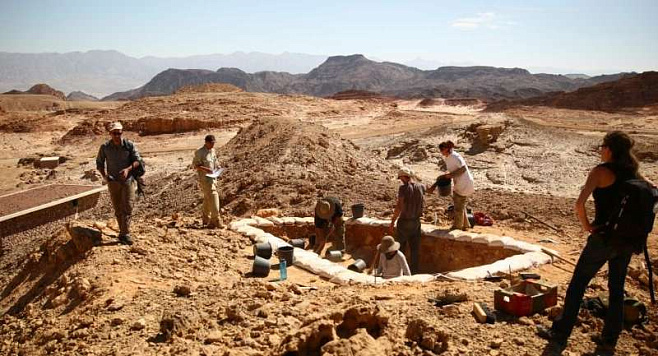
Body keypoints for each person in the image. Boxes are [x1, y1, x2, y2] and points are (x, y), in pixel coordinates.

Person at [536, 131, 655, 352]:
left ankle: (560, 335)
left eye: (602, 146)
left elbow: (579, 204)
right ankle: (609, 339)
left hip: (602, 239)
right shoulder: (636, 175)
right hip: (626, 242)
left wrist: (587, 226)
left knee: (578, 285)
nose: (600, 150)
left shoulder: (601, 172)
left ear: (609, 149)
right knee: (616, 289)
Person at [96, 122, 142, 245]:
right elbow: (99, 163)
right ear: (110, 134)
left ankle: (125, 233)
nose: (117, 135)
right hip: (113, 182)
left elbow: (138, 160)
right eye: (115, 133)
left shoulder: (129, 145)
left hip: (127, 181)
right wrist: (105, 176)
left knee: (127, 206)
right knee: (118, 208)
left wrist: (128, 169)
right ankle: (122, 232)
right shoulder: (105, 147)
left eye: (119, 133)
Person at [428, 141, 474, 230]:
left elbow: (463, 168)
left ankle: (457, 227)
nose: (441, 152)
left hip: (464, 183)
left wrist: (450, 175)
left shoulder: (454, 156)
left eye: (442, 150)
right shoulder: (449, 157)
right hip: (460, 183)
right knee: (459, 204)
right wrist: (448, 174)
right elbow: (453, 169)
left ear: (446, 149)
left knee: (458, 207)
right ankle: (465, 224)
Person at [389, 167, 424, 274]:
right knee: (414, 250)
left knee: (400, 248)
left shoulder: (403, 189)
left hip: (404, 222)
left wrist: (392, 221)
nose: (401, 181)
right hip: (416, 222)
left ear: (405, 177)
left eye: (401, 178)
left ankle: (400, 272)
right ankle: (414, 272)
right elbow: (429, 190)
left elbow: (399, 206)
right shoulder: (421, 187)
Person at [193, 134, 223, 229]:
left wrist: (218, 167)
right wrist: (206, 169)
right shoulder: (199, 152)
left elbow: (215, 161)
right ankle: (215, 219)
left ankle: (206, 219)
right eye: (211, 143)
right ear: (206, 142)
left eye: (214, 143)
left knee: (207, 197)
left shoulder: (213, 151)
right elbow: (196, 165)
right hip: (205, 178)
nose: (213, 145)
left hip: (213, 177)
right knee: (214, 194)